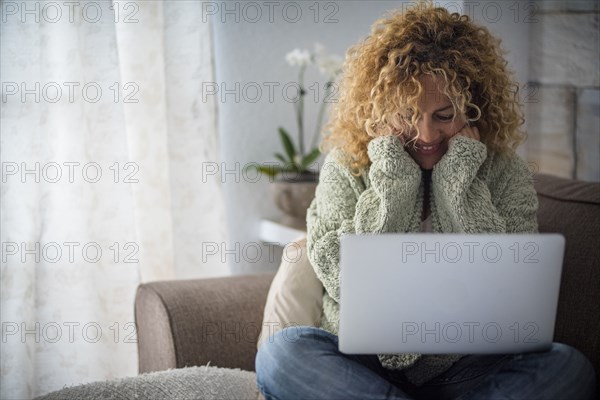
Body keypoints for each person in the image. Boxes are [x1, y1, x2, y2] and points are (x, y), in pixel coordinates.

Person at [255, 4, 597, 400]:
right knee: (282, 353)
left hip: (466, 371)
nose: (426, 134)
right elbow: (341, 277)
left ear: (473, 108)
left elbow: (503, 290)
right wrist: (392, 175)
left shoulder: (507, 174)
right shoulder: (346, 168)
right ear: (378, 110)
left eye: (444, 114)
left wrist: (458, 179)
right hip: (363, 367)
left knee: (567, 366)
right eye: (406, 114)